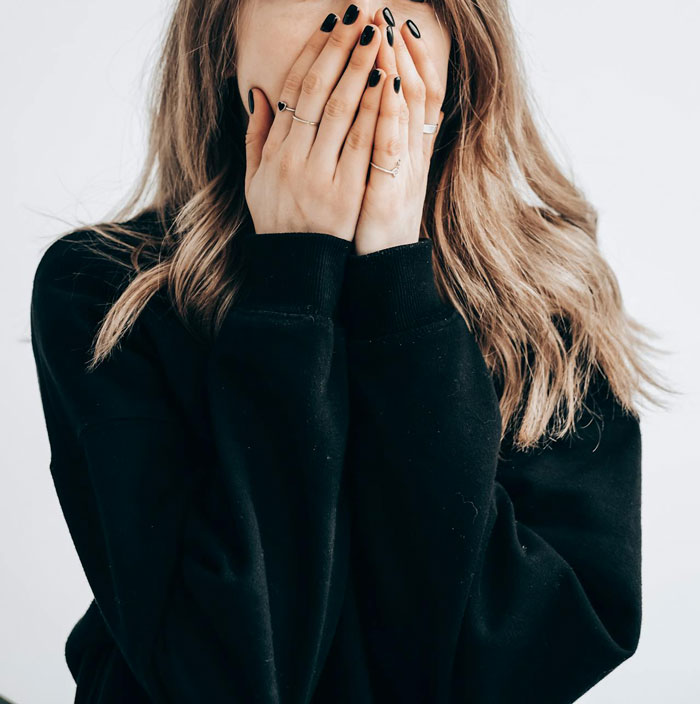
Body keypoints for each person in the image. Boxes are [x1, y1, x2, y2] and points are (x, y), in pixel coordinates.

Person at [30, 1, 673, 702]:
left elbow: (523, 662)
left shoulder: (550, 296)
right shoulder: (103, 291)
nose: (361, 17)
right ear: (221, 38)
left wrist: (396, 276)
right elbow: (219, 676)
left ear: (465, 40)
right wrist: (293, 278)